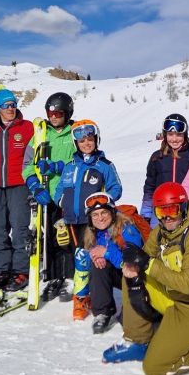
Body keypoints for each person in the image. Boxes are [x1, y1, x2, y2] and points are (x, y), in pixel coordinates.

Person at [104, 182, 189, 375]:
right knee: (129, 274)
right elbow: (145, 258)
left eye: (172, 210)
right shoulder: (163, 230)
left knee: (154, 369)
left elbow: (188, 284)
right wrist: (133, 260)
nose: (166, 217)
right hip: (175, 299)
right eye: (160, 211)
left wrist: (148, 264)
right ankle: (138, 341)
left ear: (182, 208)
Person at [54, 119, 122, 320]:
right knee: (80, 259)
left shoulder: (104, 165)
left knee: (89, 259)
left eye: (89, 139)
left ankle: (88, 297)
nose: (86, 143)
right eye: (82, 140)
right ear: (76, 143)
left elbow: (116, 189)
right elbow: (60, 190)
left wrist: (101, 204)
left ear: (96, 139)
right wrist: (61, 201)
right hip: (72, 222)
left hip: (94, 222)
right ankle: (83, 298)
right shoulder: (70, 166)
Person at [22, 92, 77, 301]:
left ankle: (70, 276)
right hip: (46, 193)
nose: (53, 116)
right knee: (50, 238)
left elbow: (80, 161)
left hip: (69, 194)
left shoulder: (74, 133)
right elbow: (27, 165)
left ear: (67, 113)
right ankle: (55, 276)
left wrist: (57, 167)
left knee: (67, 237)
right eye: (50, 113)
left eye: (58, 113)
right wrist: (34, 185)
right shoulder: (40, 134)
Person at [0, 86, 34, 292]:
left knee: (20, 228)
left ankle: (21, 271)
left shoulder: (27, 127)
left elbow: (45, 140)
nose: (11, 109)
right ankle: (4, 270)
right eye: (6, 105)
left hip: (19, 185)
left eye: (13, 105)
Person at [79, 191, 144, 334]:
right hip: (119, 272)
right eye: (95, 215)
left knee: (127, 322)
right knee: (98, 265)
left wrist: (106, 253)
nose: (100, 218)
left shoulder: (127, 229)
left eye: (104, 213)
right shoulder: (93, 232)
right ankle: (103, 312)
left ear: (112, 213)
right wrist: (97, 256)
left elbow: (135, 263)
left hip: (137, 275)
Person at [140, 113, 189, 226]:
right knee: (158, 240)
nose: (174, 139)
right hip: (160, 211)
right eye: (170, 134)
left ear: (185, 135)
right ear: (165, 135)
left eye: (178, 135)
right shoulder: (157, 157)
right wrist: (146, 213)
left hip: (185, 210)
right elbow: (149, 187)